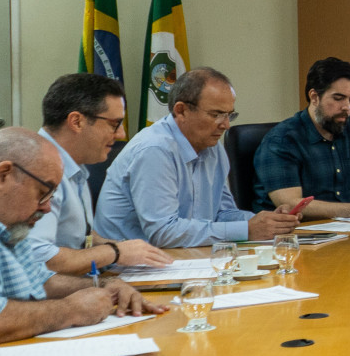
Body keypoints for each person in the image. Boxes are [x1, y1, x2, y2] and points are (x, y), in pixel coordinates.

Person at [0, 128, 165, 356]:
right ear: (2, 175)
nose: (47, 207)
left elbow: (39, 280)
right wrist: (71, 310)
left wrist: (102, 285)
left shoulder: (2, 218)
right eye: (43, 192)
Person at [95, 68, 300, 247]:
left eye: (230, 115)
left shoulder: (212, 147)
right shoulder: (155, 150)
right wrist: (246, 229)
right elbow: (163, 233)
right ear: (181, 110)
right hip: (127, 270)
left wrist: (267, 222)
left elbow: (222, 214)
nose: (226, 125)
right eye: (216, 114)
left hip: (184, 259)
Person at [22, 74, 169, 275]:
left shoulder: (74, 166)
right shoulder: (36, 167)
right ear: (77, 122)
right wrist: (114, 252)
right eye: (114, 124)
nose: (121, 135)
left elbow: (74, 235)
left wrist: (127, 248)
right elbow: (40, 259)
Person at [253, 58, 350, 219]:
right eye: (338, 98)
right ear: (314, 97)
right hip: (297, 235)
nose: (346, 107)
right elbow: (291, 205)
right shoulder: (282, 140)